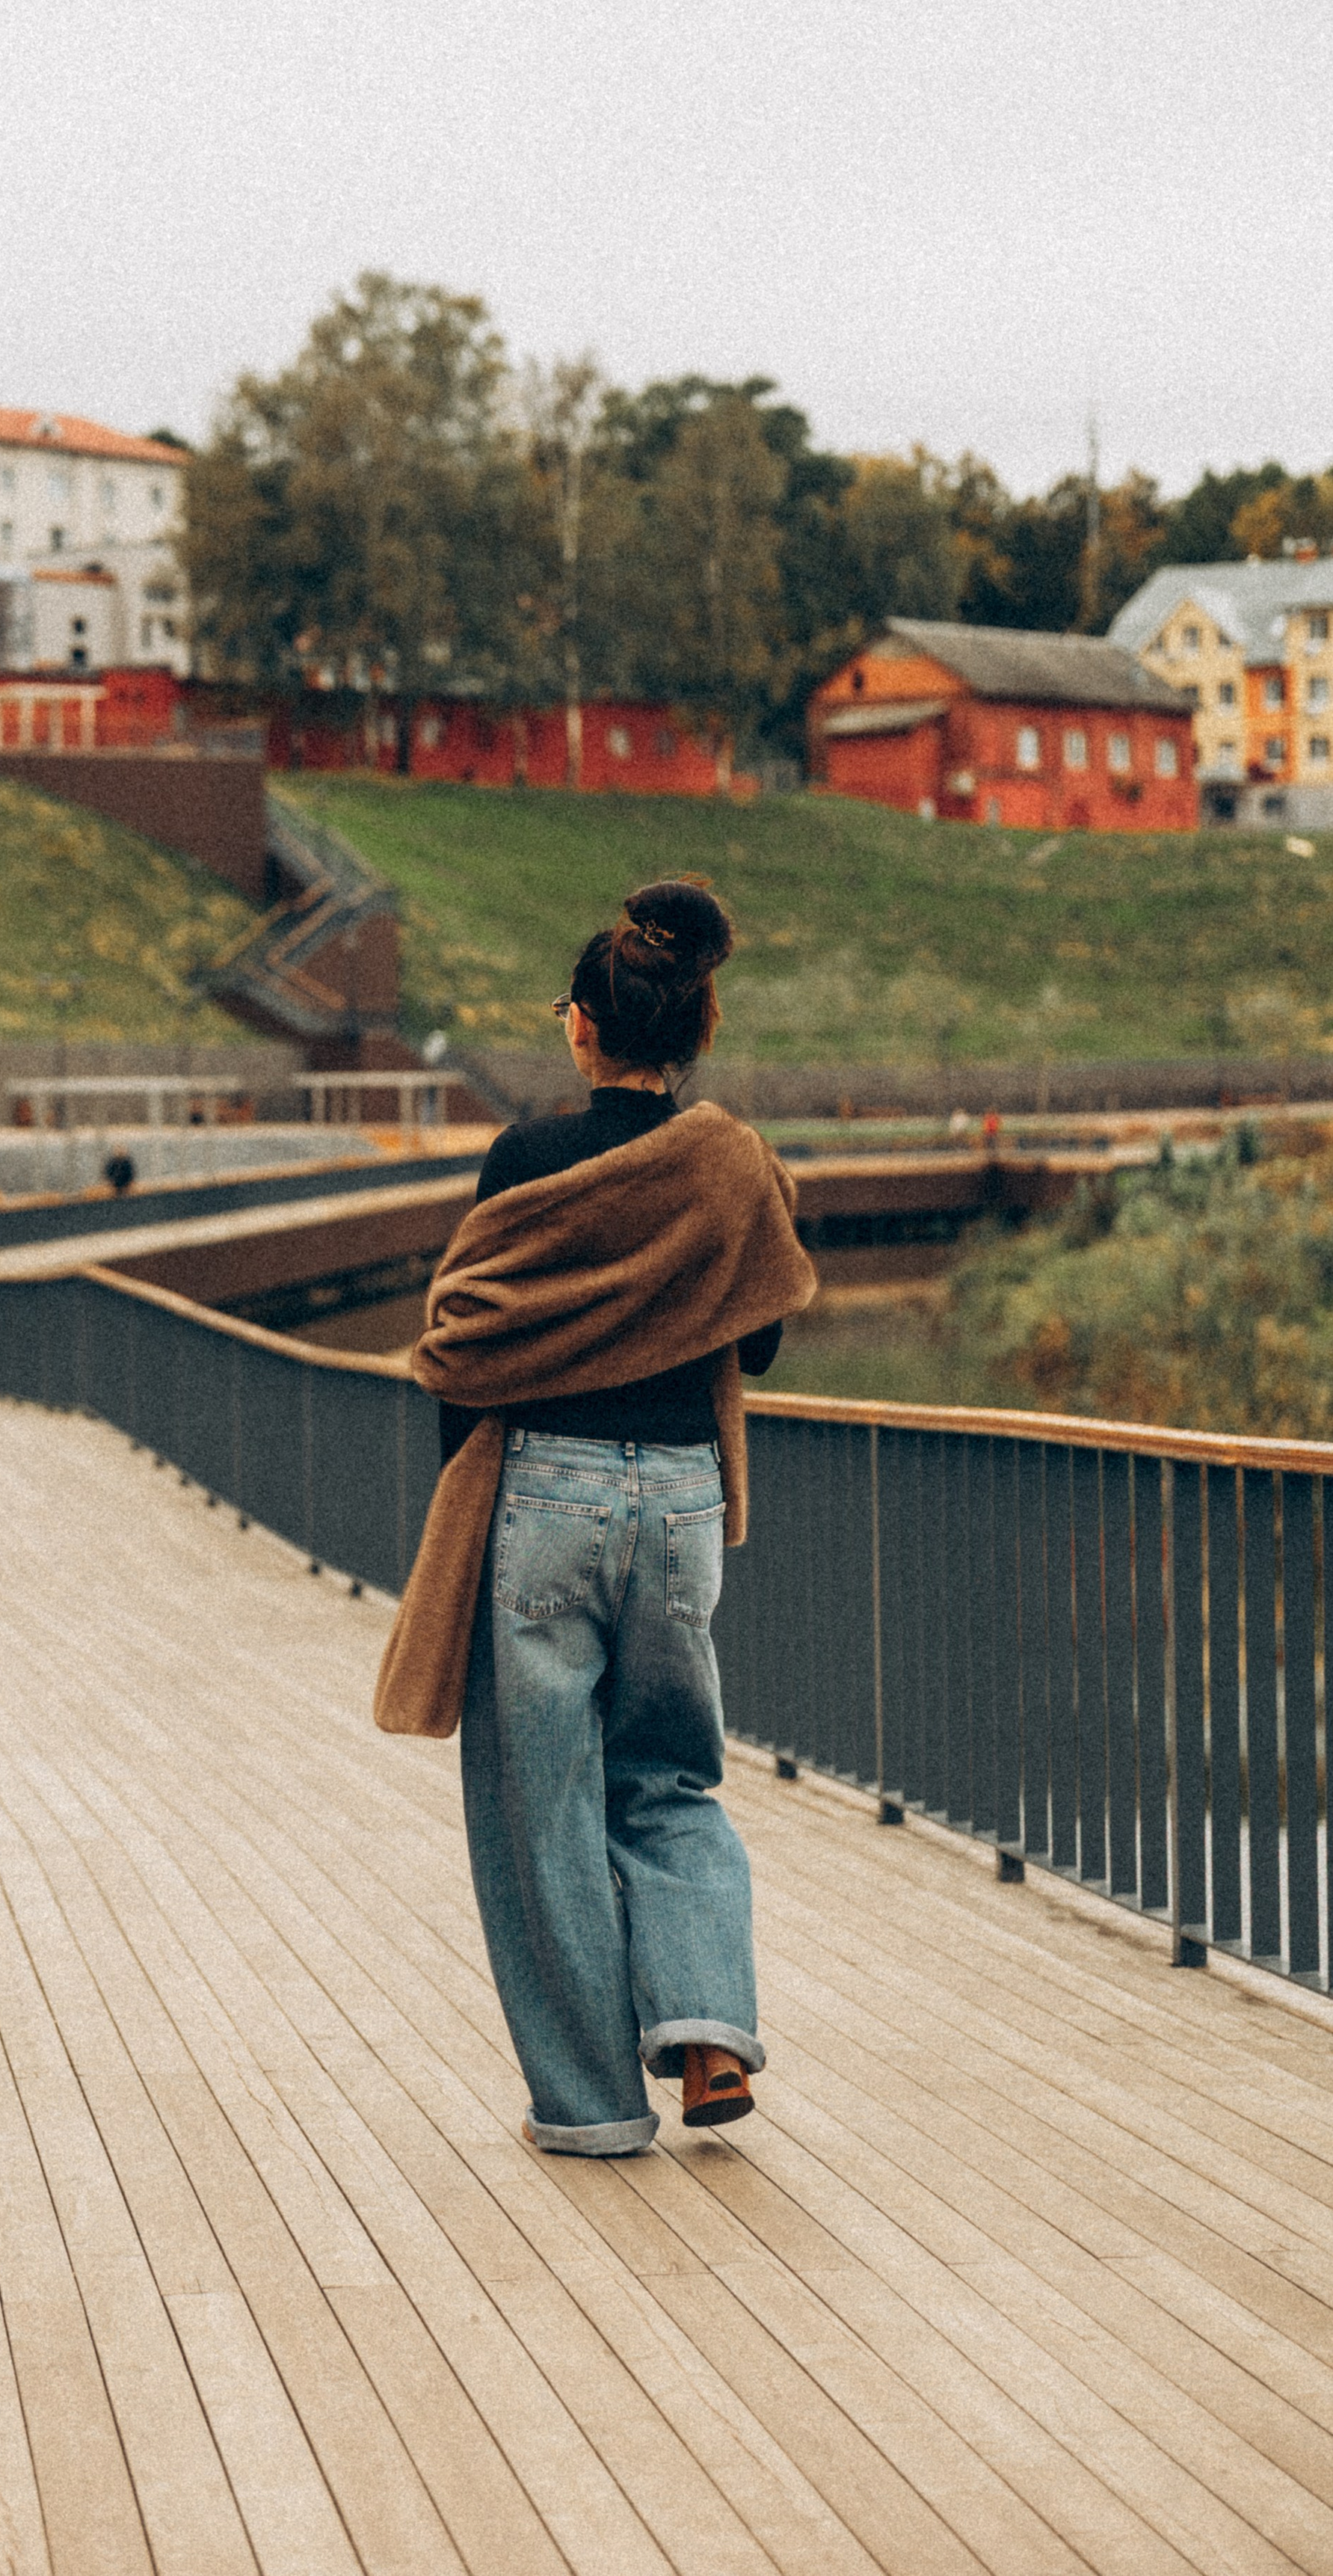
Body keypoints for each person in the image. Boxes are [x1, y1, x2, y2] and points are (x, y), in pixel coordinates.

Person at [374, 878, 816, 2157]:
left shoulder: (524, 1161)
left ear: (582, 1029)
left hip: (547, 1497)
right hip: (681, 1501)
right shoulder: (731, 1160)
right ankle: (710, 2031)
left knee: (544, 1801)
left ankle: (591, 2106)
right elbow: (768, 1335)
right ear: (698, 1031)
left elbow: (460, 1344)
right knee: (672, 1773)